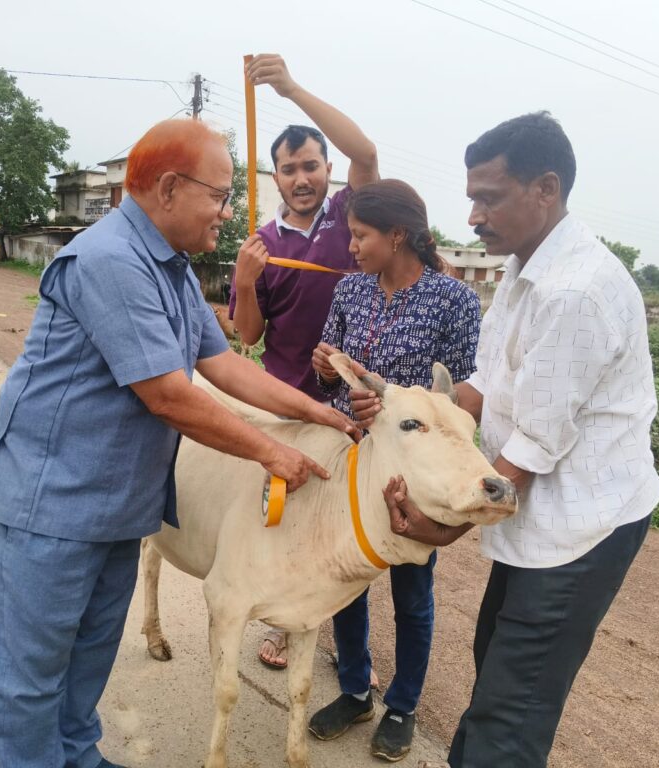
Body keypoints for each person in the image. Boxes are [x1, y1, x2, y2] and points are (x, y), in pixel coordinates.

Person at [0, 118, 359, 768]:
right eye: (220, 194)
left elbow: (226, 366)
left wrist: (321, 416)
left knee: (86, 663)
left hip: (118, 509)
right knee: (29, 684)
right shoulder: (110, 260)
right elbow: (170, 396)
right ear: (171, 188)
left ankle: (79, 757)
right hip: (47, 511)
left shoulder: (173, 270)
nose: (228, 212)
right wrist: (273, 453)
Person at [354, 112, 659, 767]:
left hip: (582, 529)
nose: (472, 218)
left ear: (545, 189)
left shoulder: (575, 291)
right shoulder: (523, 275)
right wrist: (396, 411)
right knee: (495, 664)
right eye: (471, 199)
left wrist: (443, 526)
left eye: (487, 199)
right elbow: (479, 391)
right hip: (540, 519)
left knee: (512, 707)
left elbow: (530, 449)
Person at [305, 179, 481, 761]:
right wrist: (331, 373)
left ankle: (402, 704)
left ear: (397, 235)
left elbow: (456, 402)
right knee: (346, 580)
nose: (351, 247)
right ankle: (355, 689)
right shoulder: (350, 291)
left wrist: (397, 410)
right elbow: (327, 368)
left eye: (360, 235)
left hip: (411, 471)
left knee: (412, 586)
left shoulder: (453, 301)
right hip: (351, 457)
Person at [229, 52, 380, 671]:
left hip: (351, 401)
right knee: (283, 513)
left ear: (326, 170)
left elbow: (365, 153)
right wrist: (242, 281)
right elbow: (248, 335)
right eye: (288, 169)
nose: (301, 177)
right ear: (275, 176)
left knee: (347, 527)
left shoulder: (350, 219)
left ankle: (347, 651)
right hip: (285, 398)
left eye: (311, 165)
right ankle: (282, 625)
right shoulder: (263, 242)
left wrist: (290, 89)